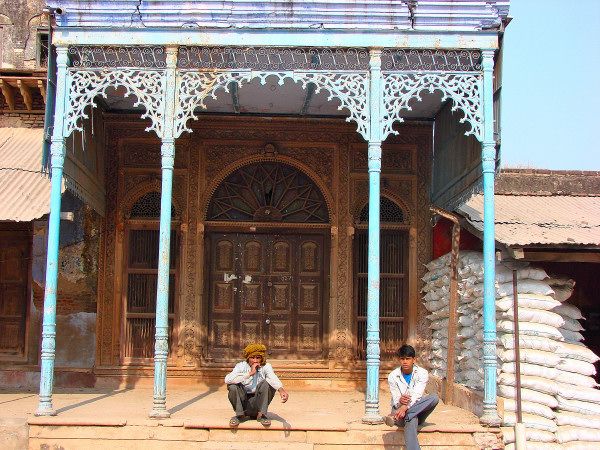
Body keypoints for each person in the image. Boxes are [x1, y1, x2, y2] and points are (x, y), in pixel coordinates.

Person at [384, 344, 439, 450]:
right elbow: (396, 400)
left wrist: (406, 407)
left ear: (414, 359)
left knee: (434, 398)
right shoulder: (393, 376)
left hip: (409, 411)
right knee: (412, 419)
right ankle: (407, 416)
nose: (405, 362)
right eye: (402, 359)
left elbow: (417, 395)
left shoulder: (422, 373)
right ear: (399, 360)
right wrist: (400, 401)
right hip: (399, 413)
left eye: (408, 359)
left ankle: (397, 417)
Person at [224, 343, 289, 427]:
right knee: (232, 386)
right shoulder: (240, 366)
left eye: (258, 358)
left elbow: (272, 378)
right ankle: (239, 415)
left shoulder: (266, 366)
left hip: (258, 402)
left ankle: (261, 415)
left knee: (267, 383)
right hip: (243, 403)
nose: (255, 360)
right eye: (252, 357)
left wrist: (281, 390)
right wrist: (250, 373)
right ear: (248, 358)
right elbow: (227, 379)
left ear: (262, 358)